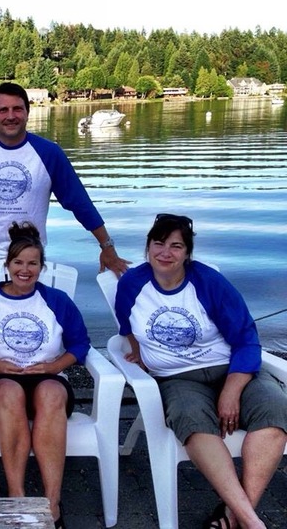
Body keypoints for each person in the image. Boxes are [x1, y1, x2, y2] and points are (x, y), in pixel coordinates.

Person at [114, 213, 287, 529]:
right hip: (178, 379)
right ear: (147, 247)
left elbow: (247, 339)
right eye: (159, 243)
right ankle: (252, 522)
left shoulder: (209, 283)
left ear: (187, 253)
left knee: (275, 409)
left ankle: (235, 517)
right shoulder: (131, 285)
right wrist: (138, 351)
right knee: (192, 420)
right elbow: (127, 325)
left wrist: (232, 391)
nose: (166, 253)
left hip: (231, 370)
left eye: (176, 246)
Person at [0, 221, 91, 528]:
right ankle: (17, 498)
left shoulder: (56, 301)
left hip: (47, 377)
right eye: (18, 262)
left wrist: (57, 366)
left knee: (52, 394)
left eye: (33, 263)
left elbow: (80, 342)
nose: (25, 270)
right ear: (7, 265)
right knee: (10, 393)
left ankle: (52, 503)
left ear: (41, 267)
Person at [0, 82, 129, 287]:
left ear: (27, 112)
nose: (11, 116)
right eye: (3, 110)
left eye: (17, 109)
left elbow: (80, 203)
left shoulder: (50, 154)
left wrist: (107, 246)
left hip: (31, 262)